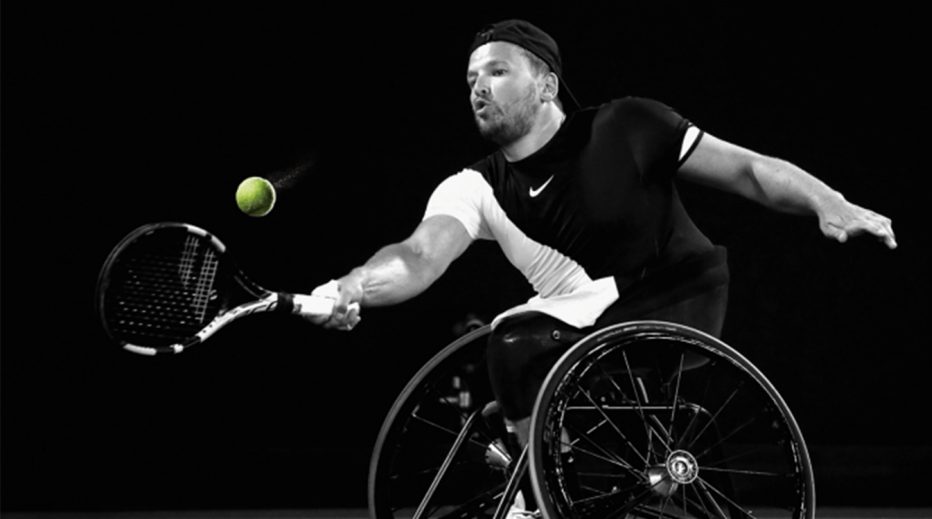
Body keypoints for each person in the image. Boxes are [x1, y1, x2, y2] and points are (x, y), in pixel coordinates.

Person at [307, 18, 896, 517]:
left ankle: (542, 498)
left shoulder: (628, 125)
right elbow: (417, 256)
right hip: (582, 329)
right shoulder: (474, 186)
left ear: (546, 83)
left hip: (676, 297)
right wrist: (352, 286)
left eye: (496, 71)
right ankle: (549, 474)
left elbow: (749, 170)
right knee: (508, 356)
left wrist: (829, 202)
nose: (477, 88)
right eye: (470, 79)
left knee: (513, 339)